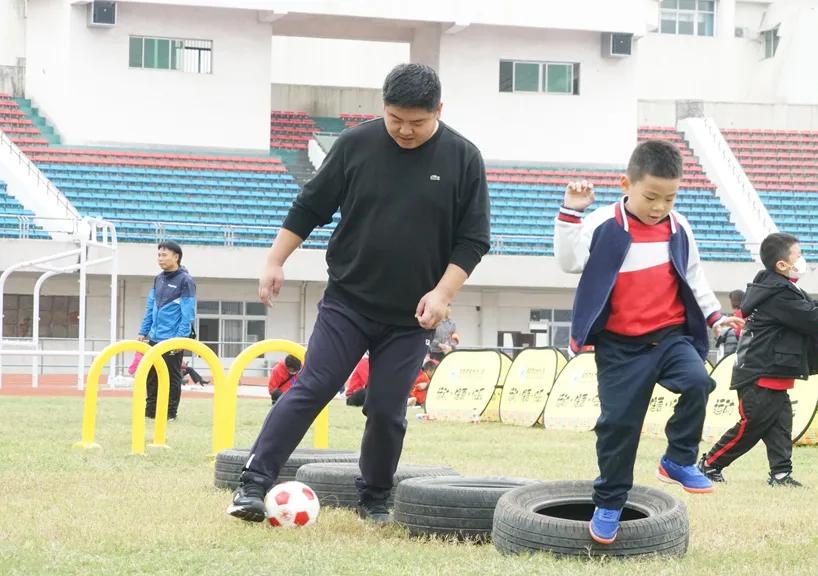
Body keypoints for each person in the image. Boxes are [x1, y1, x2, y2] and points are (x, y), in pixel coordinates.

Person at [227, 63, 490, 524]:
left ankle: (374, 497)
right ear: (382, 108)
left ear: (439, 111)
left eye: (416, 122)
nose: (404, 130)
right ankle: (252, 483)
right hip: (348, 300)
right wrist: (275, 261)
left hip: (411, 316)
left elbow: (473, 239)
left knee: (387, 409)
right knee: (314, 386)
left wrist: (442, 293)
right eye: (395, 119)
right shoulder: (356, 145)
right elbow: (310, 206)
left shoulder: (464, 158)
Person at [554, 140, 742, 545]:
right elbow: (569, 263)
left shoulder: (679, 227)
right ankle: (609, 502)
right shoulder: (604, 223)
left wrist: (714, 316)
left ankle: (678, 459)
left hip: (669, 336)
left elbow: (693, 275)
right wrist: (571, 212)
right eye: (651, 197)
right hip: (620, 346)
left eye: (669, 198)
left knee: (699, 382)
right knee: (618, 426)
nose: (659, 207)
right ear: (627, 184)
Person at [699, 234, 818, 487]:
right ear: (781, 264)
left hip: (774, 370)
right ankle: (709, 464)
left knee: (780, 425)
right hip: (759, 370)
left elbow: (812, 306)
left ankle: (780, 474)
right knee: (752, 425)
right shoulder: (778, 293)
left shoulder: (783, 287)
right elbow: (811, 318)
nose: (801, 259)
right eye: (797, 255)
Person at [137, 240, 196, 422]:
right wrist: (143, 331)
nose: (160, 258)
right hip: (154, 337)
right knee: (151, 376)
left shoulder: (186, 281)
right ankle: (150, 412)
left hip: (172, 340)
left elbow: (188, 315)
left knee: (171, 377)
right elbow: (150, 307)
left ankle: (170, 414)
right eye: (159, 255)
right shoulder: (158, 279)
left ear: (176, 257)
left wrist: (180, 340)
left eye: (164, 255)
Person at [714, 289, 745, 356]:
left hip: (732, 351)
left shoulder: (737, 316)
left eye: (731, 300)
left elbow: (735, 333)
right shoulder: (747, 314)